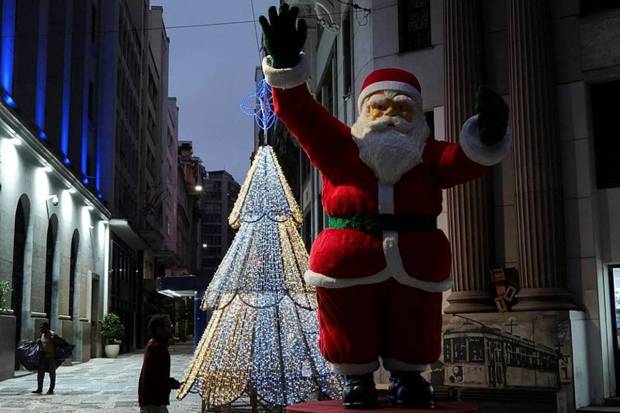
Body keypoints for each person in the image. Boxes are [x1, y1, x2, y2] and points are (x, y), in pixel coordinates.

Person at [259, 4, 511, 409]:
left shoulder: (427, 154)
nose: (391, 116)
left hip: (416, 258)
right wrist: (286, 69)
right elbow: (301, 114)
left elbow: (464, 160)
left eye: (401, 108)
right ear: (364, 112)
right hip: (349, 259)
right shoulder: (341, 147)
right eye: (380, 107)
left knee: (414, 319)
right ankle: (356, 378)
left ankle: (408, 376)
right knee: (349, 320)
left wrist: (486, 134)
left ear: (417, 114)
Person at [138, 315, 182, 413]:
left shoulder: (155, 344)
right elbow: (156, 377)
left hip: (152, 400)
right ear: (158, 329)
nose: (171, 328)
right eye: (168, 326)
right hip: (154, 402)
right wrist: (172, 383)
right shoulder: (157, 348)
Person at [32, 322, 64, 395]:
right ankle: (39, 388)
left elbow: (60, 343)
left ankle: (51, 389)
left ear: (46, 328)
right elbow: (41, 344)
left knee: (52, 373)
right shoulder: (42, 335)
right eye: (40, 327)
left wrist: (54, 340)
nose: (41, 329)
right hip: (43, 357)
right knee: (40, 373)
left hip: (51, 357)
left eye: (42, 327)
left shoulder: (52, 334)